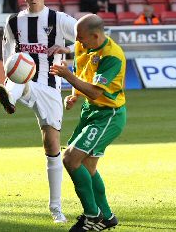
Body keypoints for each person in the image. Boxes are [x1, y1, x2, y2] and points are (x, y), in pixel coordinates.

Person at [0, 0, 77, 223]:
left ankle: (56, 209)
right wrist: (10, 72)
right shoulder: (13, 22)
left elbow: (88, 40)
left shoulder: (59, 19)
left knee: (52, 145)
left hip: (51, 86)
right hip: (24, 81)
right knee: (18, 73)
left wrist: (67, 50)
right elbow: (8, 56)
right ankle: (8, 96)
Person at [49, 13, 126, 232]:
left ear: (95, 35)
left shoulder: (112, 56)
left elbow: (93, 90)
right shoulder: (85, 44)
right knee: (88, 166)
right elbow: (83, 71)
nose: (78, 43)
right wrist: (74, 94)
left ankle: (93, 216)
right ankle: (108, 216)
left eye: (81, 39)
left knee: (71, 159)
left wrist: (67, 77)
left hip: (108, 115)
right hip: (90, 111)